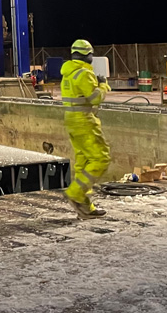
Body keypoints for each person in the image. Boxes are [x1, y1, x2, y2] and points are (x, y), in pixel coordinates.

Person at [61, 39, 111, 219]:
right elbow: (95, 98)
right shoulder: (84, 74)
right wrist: (103, 84)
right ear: (88, 55)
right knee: (101, 158)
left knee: (83, 164)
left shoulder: (68, 74)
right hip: (84, 122)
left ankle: (85, 207)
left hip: (72, 121)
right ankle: (75, 193)